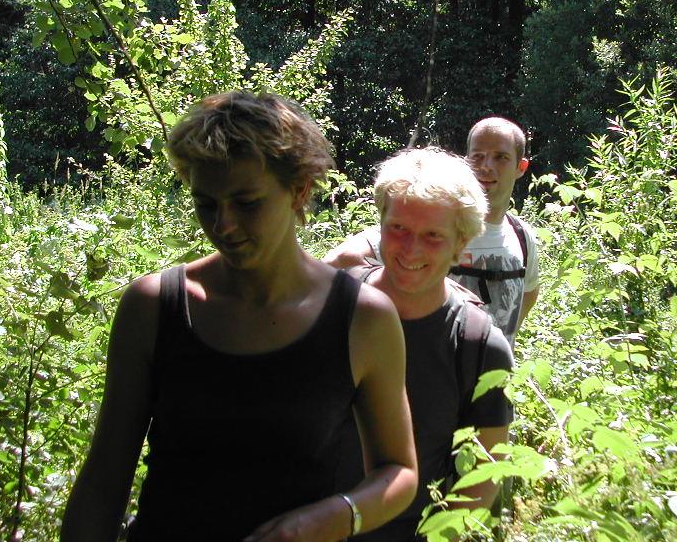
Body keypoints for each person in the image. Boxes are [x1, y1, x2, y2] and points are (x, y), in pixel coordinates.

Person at [61, 92, 417, 542]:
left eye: (247, 203)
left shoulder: (361, 318)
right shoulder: (155, 307)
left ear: (299, 190)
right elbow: (104, 480)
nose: (223, 225)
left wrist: (330, 519)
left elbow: (398, 471)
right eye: (206, 203)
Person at [338, 148, 514, 541]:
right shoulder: (331, 303)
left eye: (433, 235)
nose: (410, 248)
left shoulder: (478, 345)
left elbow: (485, 475)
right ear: (380, 224)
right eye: (398, 228)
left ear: (461, 244)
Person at [325, 117, 540, 345]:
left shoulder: (521, 236)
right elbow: (338, 261)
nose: (486, 166)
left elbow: (528, 293)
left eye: (500, 157)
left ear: (521, 167)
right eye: (478, 156)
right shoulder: (435, 223)